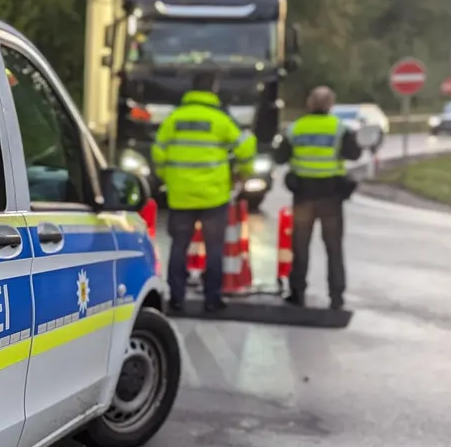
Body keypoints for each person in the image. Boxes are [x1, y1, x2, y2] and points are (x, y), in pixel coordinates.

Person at [152, 73, 257, 313]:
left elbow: (158, 152)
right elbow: (246, 146)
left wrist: (168, 178)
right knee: (214, 248)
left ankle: (176, 298)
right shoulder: (220, 119)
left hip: (181, 195)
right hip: (214, 196)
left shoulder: (174, 119)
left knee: (179, 245)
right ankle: (212, 299)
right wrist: (243, 172)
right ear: (214, 88)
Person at [271, 85, 363, 310]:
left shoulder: (295, 129)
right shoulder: (340, 129)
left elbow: (280, 157)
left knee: (300, 247)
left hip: (303, 196)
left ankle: (297, 293)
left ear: (309, 104)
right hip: (331, 197)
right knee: (333, 248)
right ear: (331, 104)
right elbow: (354, 154)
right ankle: (336, 297)